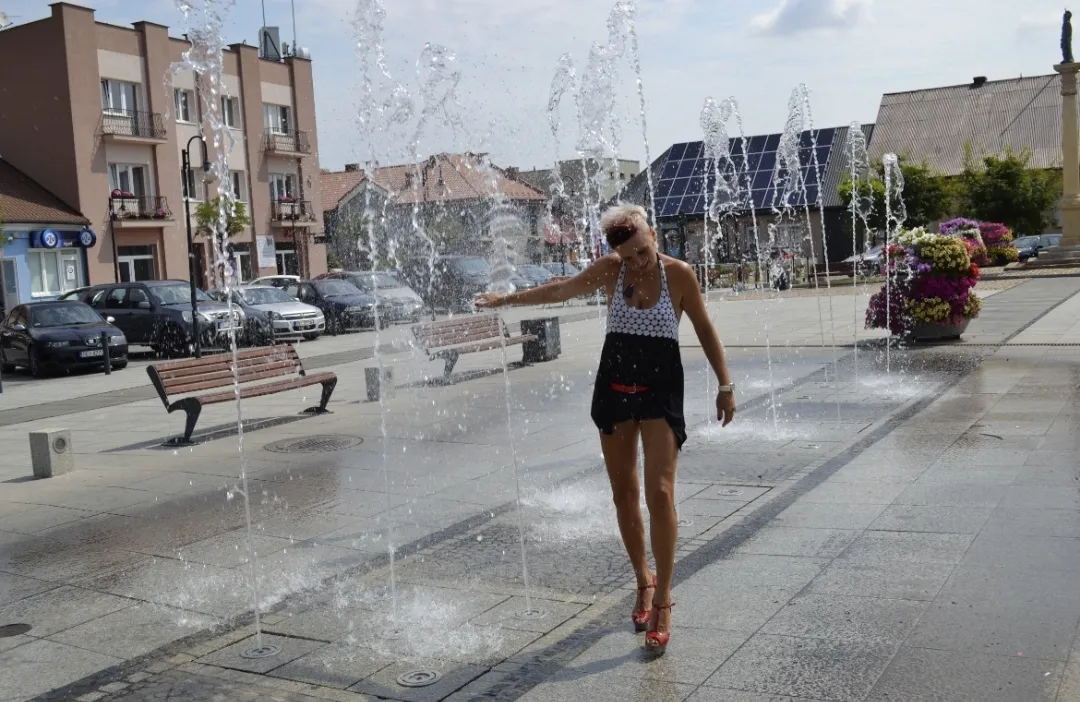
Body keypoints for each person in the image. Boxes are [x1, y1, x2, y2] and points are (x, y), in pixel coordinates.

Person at [476, 204, 735, 655]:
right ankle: (643, 580)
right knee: (623, 494)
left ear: (653, 236)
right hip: (614, 390)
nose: (637, 262)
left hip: (660, 392)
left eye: (642, 251)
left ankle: (664, 598)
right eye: (628, 256)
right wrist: (506, 301)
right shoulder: (612, 270)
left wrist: (725, 386)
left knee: (660, 493)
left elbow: (705, 329)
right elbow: (562, 290)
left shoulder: (679, 275)